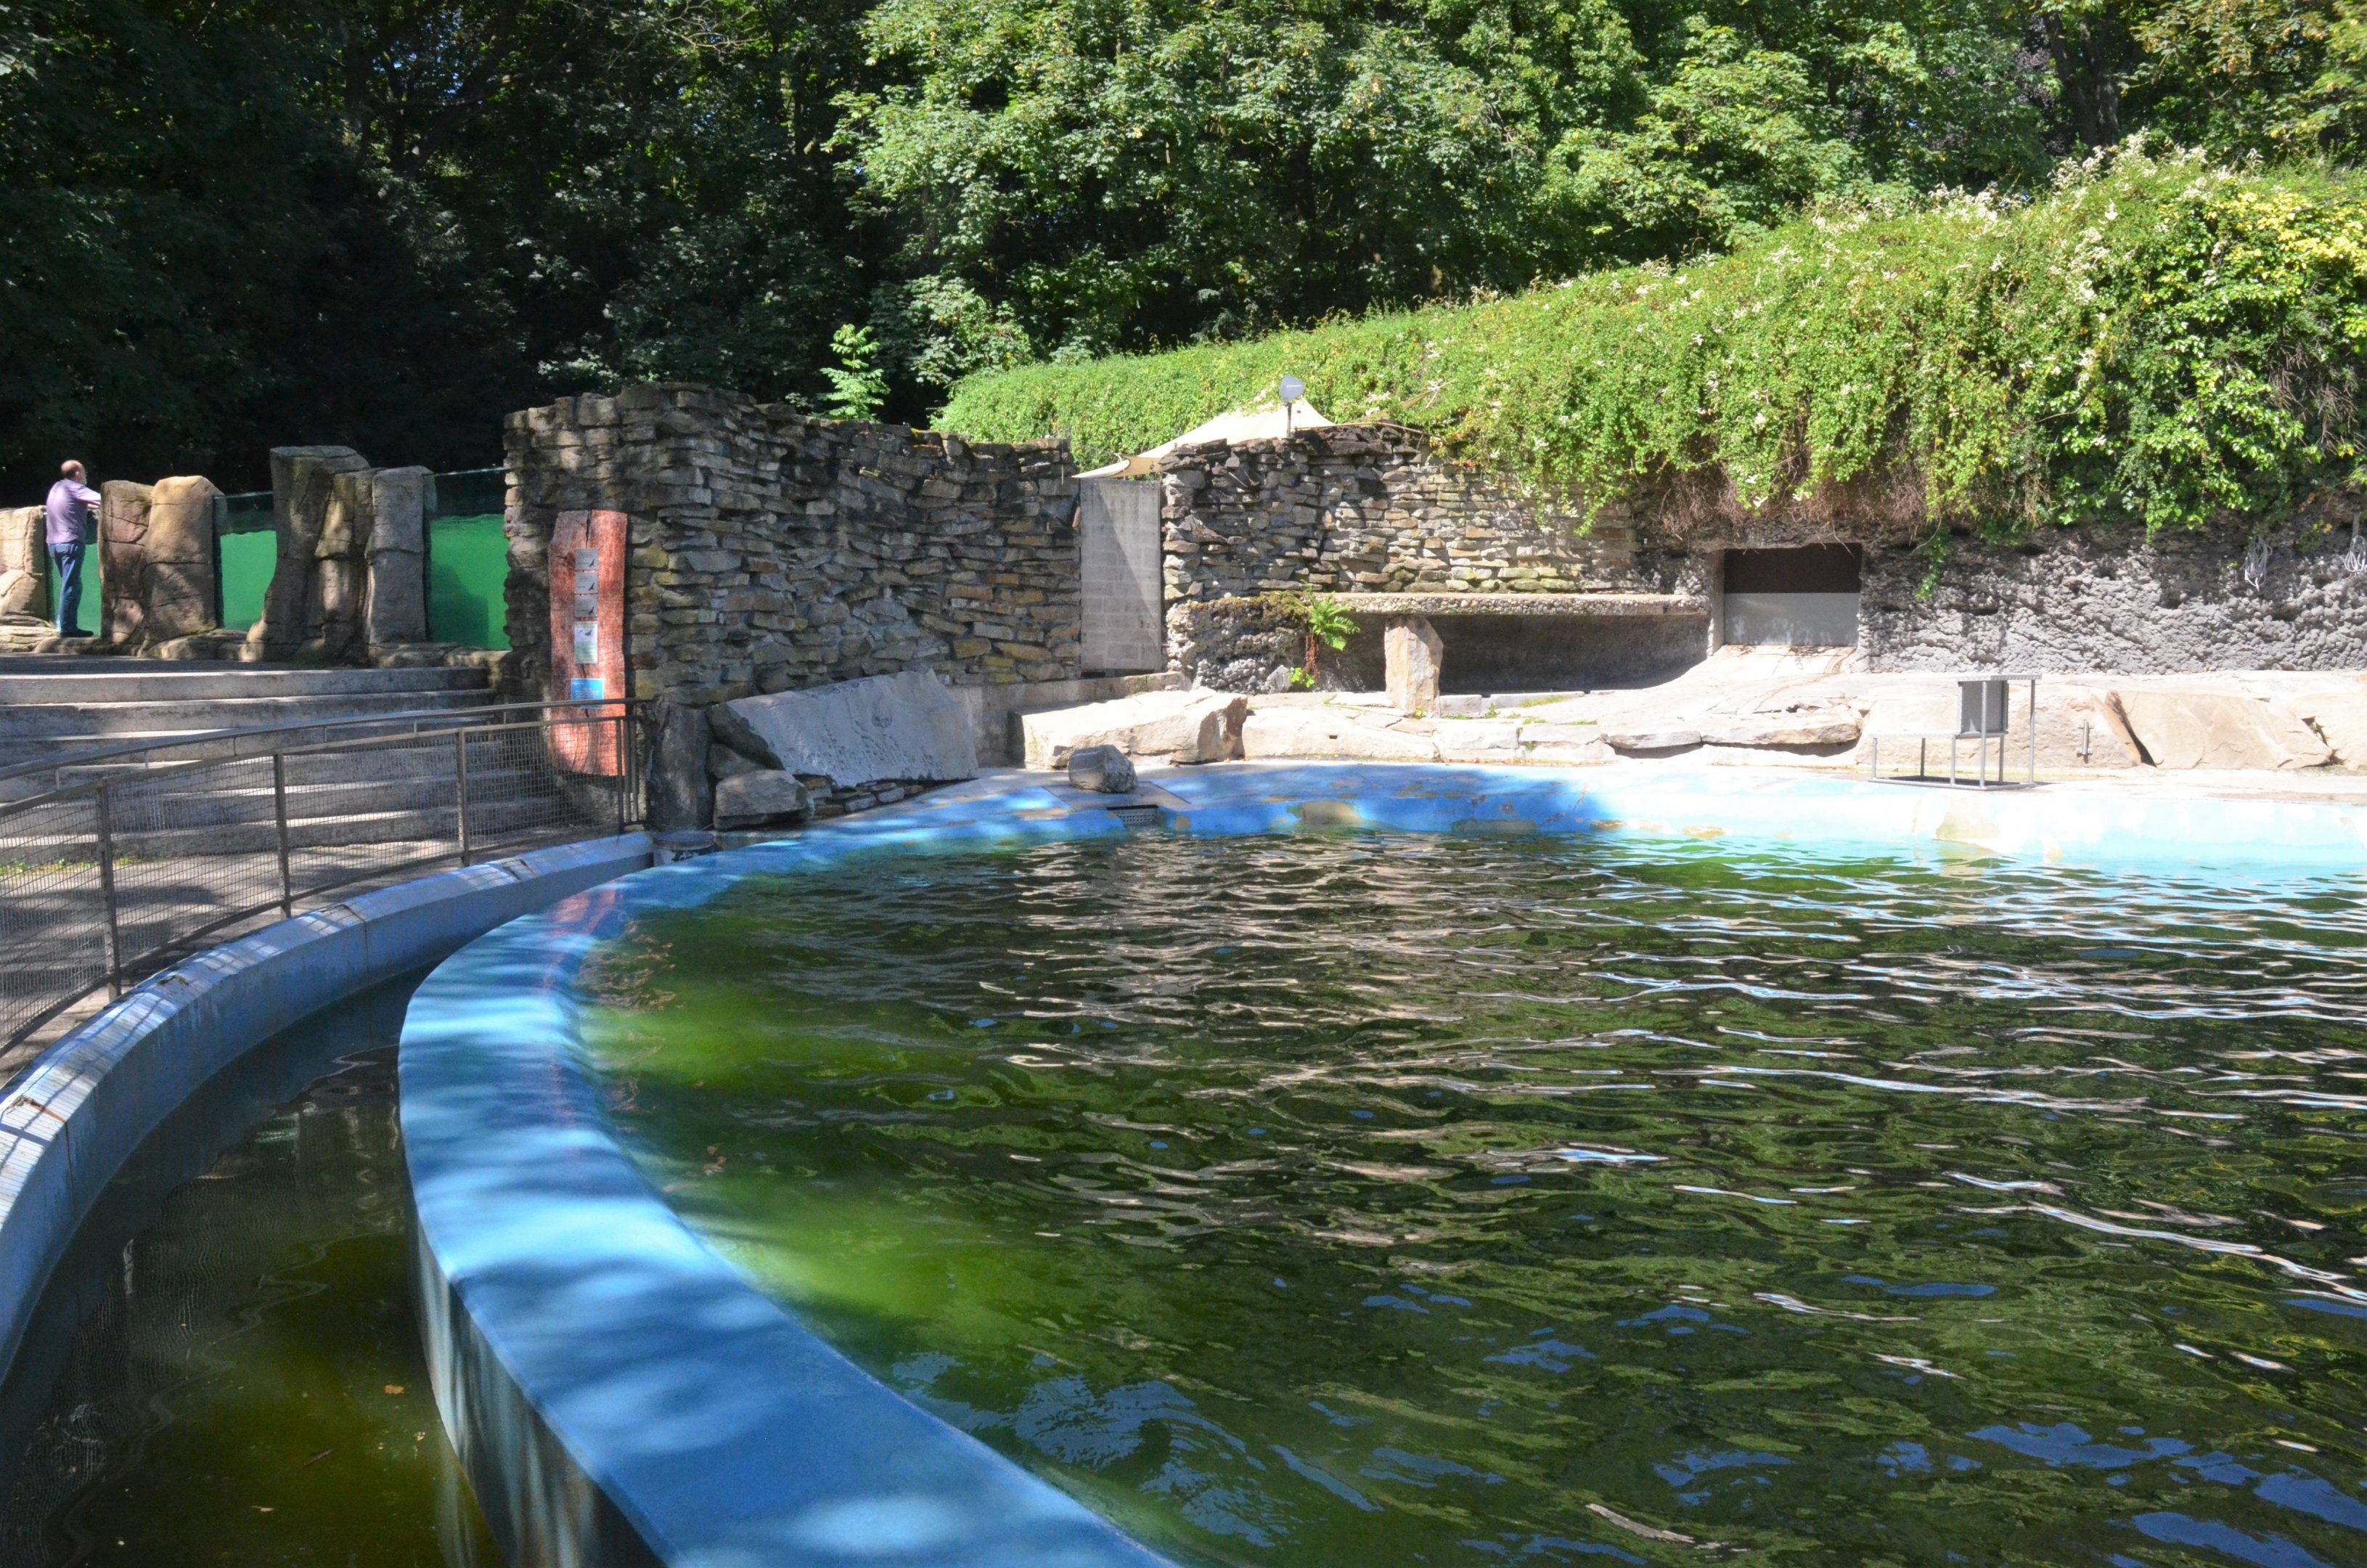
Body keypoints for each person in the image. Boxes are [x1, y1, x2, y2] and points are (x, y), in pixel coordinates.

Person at [44, 460, 99, 638]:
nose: (85, 476)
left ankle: (64, 624)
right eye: (84, 473)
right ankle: (67, 628)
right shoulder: (74, 488)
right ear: (77, 474)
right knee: (71, 586)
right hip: (70, 543)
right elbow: (102, 499)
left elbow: (72, 504)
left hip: (54, 544)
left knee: (71, 585)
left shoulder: (57, 487)